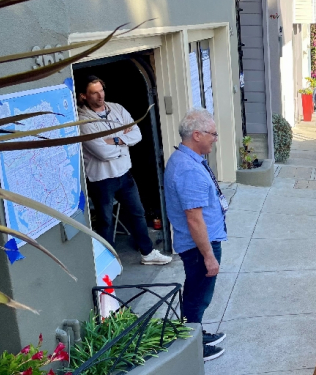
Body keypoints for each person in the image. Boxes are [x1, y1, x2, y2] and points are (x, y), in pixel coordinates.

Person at [78, 75, 172, 266]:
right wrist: (122, 138)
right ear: (83, 96)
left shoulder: (117, 109)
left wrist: (114, 139)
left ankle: (147, 253)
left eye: (101, 90)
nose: (100, 96)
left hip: (125, 174)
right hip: (102, 179)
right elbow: (102, 152)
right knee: (105, 222)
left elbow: (136, 134)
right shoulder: (82, 121)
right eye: (94, 93)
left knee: (138, 213)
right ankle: (108, 262)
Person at [164, 108, 227, 361]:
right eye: (213, 134)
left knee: (197, 293)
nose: (215, 138)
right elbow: (194, 219)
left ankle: (196, 334)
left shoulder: (187, 160)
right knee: (197, 297)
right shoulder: (188, 169)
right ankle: (193, 348)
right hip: (199, 247)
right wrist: (209, 257)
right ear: (197, 135)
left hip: (200, 244)